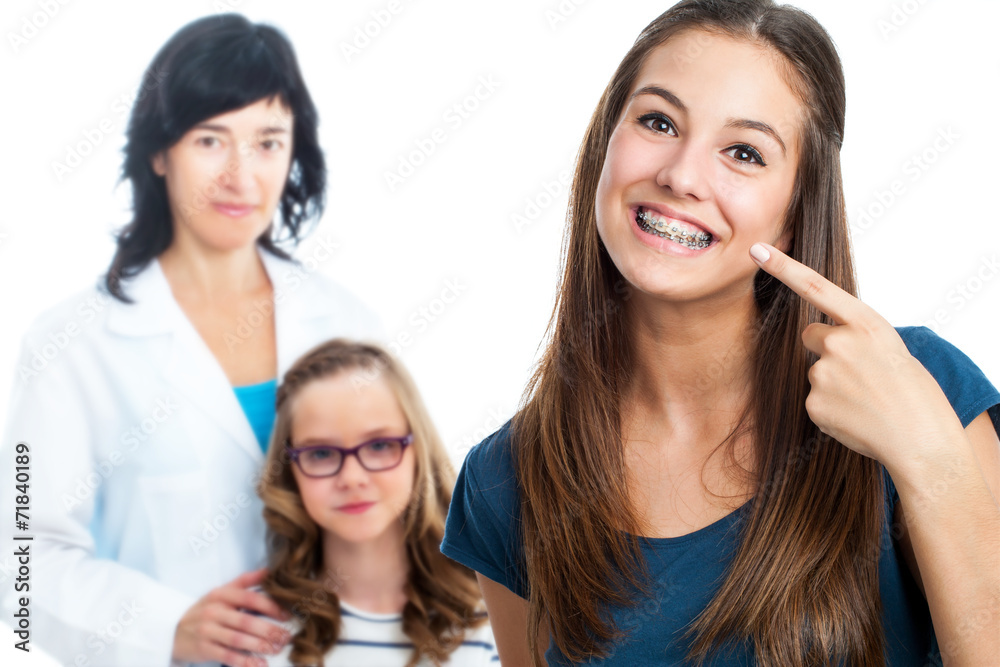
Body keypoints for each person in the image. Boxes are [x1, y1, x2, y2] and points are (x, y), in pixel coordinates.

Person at [440, 1, 1000, 665]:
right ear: (603, 147)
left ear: (795, 211)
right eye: (657, 121)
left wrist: (931, 457)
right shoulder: (505, 479)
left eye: (743, 152)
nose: (680, 176)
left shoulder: (917, 386)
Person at [0, 14, 382, 667]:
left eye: (267, 142)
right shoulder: (71, 345)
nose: (242, 176)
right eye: (211, 141)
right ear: (159, 152)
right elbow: (23, 568)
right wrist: (165, 627)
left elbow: (405, 518)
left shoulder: (346, 322)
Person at [254, 339, 498, 666]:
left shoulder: (492, 619)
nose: (352, 478)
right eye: (321, 453)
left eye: (380, 445)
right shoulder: (254, 629)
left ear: (418, 452)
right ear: (290, 469)